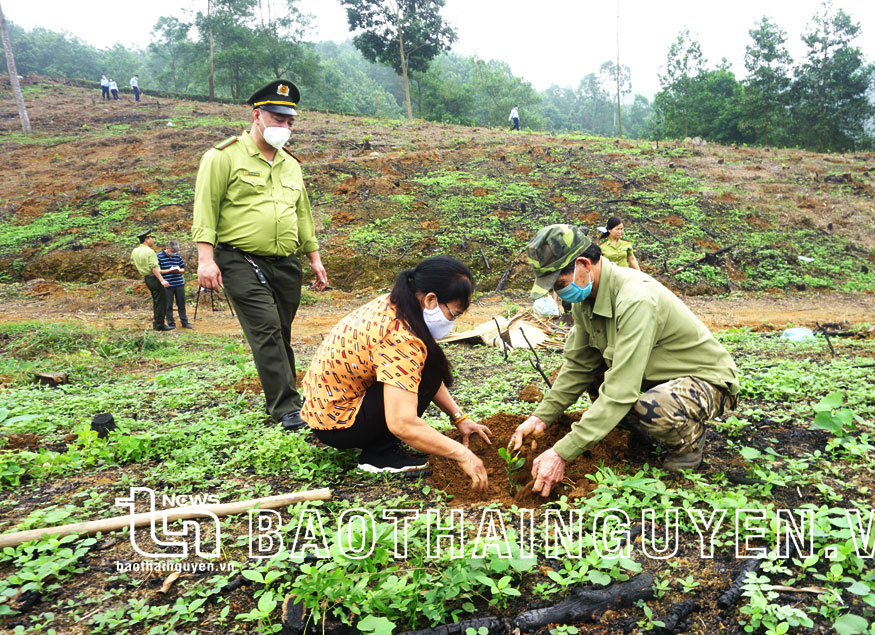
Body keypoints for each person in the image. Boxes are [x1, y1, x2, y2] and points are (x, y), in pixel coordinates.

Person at [509, 224, 740, 496]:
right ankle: (636, 436)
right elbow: (578, 367)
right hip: (656, 377)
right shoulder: (586, 300)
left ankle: (688, 444)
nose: (559, 295)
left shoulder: (635, 298)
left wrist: (561, 453)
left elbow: (621, 390)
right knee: (594, 373)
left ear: (584, 264)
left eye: (560, 284)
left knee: (653, 407)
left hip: (705, 381)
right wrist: (540, 418)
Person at [192, 79, 327, 431]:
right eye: (277, 119)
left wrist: (314, 258)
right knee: (266, 329)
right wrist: (205, 260)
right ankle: (286, 408)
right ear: (257, 116)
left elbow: (303, 215)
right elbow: (205, 209)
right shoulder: (223, 156)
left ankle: (290, 396)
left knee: (281, 330)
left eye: (290, 122)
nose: (284, 127)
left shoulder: (291, 165)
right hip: (238, 258)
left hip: (285, 262)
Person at [301, 256, 490, 486]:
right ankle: (380, 455)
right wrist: (463, 455)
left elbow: (425, 373)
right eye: (454, 313)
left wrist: (459, 418)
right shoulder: (400, 337)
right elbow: (402, 422)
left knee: (427, 366)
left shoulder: (396, 304)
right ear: (431, 299)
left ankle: (377, 443)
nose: (453, 321)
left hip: (325, 408)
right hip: (338, 423)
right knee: (424, 373)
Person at [130, 230, 172, 331]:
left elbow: (133, 263)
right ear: (146, 239)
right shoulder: (150, 252)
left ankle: (157, 322)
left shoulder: (135, 251)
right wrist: (162, 280)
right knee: (161, 302)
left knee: (156, 300)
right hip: (155, 278)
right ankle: (159, 325)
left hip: (147, 278)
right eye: (151, 238)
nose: (153, 240)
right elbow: (154, 268)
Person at [157, 240, 193, 329]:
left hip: (179, 283)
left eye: (175, 251)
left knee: (181, 303)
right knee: (168, 305)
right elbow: (158, 271)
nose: (174, 253)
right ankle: (171, 323)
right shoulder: (159, 257)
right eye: (173, 251)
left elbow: (183, 269)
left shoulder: (177, 256)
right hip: (167, 284)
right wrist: (170, 270)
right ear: (167, 248)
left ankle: (185, 322)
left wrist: (179, 270)